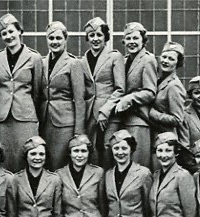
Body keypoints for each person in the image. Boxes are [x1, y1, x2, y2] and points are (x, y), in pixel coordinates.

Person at [0, 14, 43, 173]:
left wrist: (29, 110)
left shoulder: (34, 57)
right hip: (3, 117)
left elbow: (38, 91)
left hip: (25, 116)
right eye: (4, 34)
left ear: (19, 31)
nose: (8, 36)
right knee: (5, 159)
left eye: (11, 31)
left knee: (26, 156)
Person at [39, 21, 86, 171]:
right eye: (51, 38)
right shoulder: (41, 62)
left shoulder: (73, 63)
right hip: (45, 121)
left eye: (58, 38)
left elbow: (79, 100)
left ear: (65, 40)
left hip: (64, 122)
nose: (55, 42)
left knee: (60, 164)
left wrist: (78, 132)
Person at [80, 17, 125, 168]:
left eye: (99, 35)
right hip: (90, 114)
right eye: (91, 35)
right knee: (91, 150)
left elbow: (120, 89)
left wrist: (105, 111)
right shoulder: (83, 60)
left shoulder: (114, 57)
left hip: (110, 114)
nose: (95, 39)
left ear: (105, 36)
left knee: (108, 148)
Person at [115, 22, 157, 169]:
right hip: (123, 119)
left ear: (143, 40)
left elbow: (150, 92)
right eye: (128, 39)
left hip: (138, 120)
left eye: (135, 38)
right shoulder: (125, 60)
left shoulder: (148, 59)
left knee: (137, 165)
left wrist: (129, 98)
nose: (131, 42)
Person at [148, 41, 186, 169]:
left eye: (171, 59)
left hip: (166, 142)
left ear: (177, 63)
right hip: (154, 137)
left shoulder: (174, 86)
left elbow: (177, 119)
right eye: (164, 57)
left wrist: (152, 113)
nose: (166, 61)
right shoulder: (159, 80)